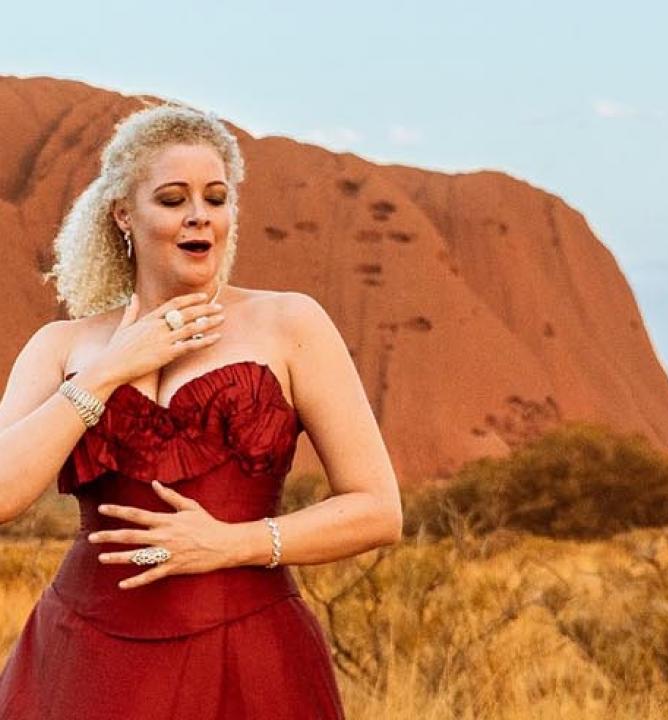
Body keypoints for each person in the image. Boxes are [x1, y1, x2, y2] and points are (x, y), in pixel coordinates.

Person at [0, 102, 403, 719]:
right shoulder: (62, 346)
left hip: (248, 654)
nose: (199, 216)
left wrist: (232, 544)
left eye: (216, 198)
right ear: (122, 213)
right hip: (83, 660)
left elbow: (377, 510)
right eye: (172, 199)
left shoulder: (290, 323)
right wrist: (111, 369)